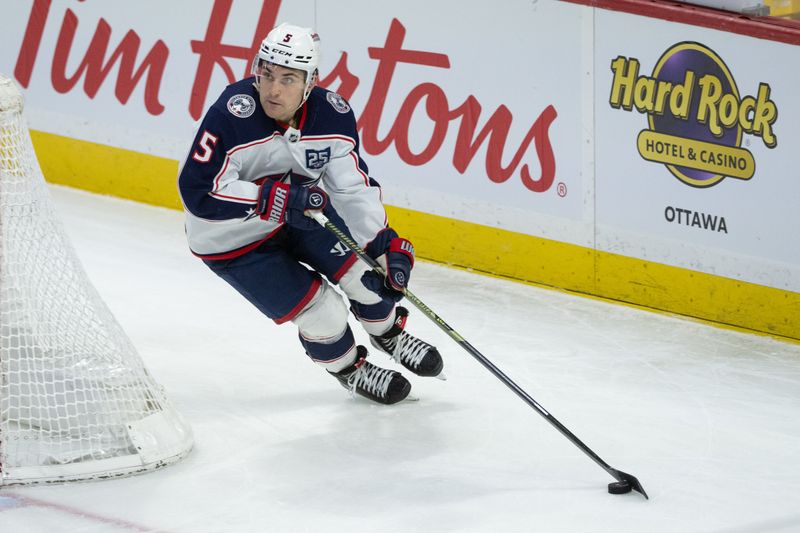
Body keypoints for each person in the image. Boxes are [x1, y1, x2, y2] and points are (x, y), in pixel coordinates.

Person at [177, 22, 444, 405]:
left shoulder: (331, 116)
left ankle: (388, 333)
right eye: (266, 74)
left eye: (288, 78)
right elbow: (198, 190)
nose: (273, 89)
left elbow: (351, 188)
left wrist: (383, 242)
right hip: (232, 241)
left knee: (367, 274)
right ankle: (351, 369)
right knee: (325, 315)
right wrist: (270, 198)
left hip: (299, 215)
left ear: (310, 81)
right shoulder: (231, 114)